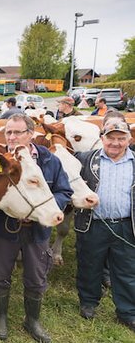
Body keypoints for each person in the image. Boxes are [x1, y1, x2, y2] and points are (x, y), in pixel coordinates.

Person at [0, 114, 72, 342]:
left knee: (36, 276)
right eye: (8, 132)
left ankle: (32, 320)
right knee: (0, 274)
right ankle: (1, 317)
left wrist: (43, 208)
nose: (12, 137)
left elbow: (65, 192)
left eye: (17, 132)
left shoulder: (49, 161)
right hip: (4, 228)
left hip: (38, 230)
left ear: (31, 134)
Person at [74, 119, 135, 333]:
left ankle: (127, 311)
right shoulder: (85, 159)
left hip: (127, 226)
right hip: (94, 223)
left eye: (121, 138)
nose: (115, 143)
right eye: (111, 138)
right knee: (90, 264)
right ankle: (89, 302)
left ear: (130, 139)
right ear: (102, 139)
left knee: (127, 269)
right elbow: (70, 182)